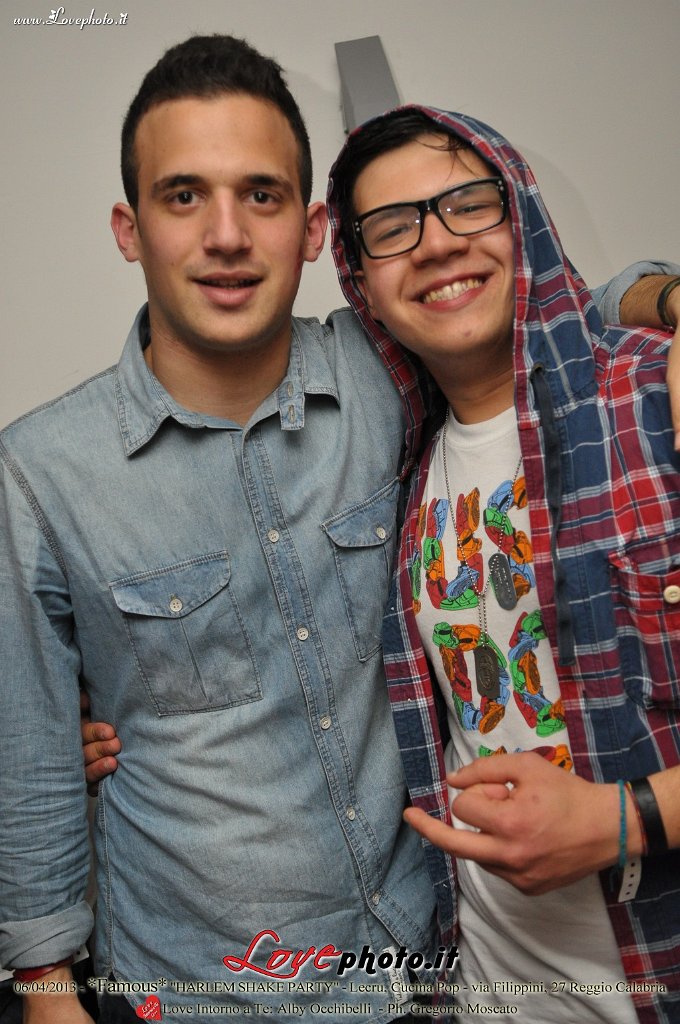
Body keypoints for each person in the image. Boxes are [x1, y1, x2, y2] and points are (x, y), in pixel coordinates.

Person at [1, 33, 677, 1024]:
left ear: (312, 230)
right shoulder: (41, 471)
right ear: (129, 228)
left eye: (262, 195)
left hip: (425, 972)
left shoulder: (385, 373)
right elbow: (30, 760)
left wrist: (662, 298)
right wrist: (48, 992)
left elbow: (539, 299)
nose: (226, 234)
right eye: (183, 196)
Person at [326, 105, 680, 1023]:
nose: (437, 244)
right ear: (363, 283)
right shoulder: (398, 476)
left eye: (468, 204)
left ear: (522, 214)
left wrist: (628, 818)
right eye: (392, 228)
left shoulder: (656, 397)